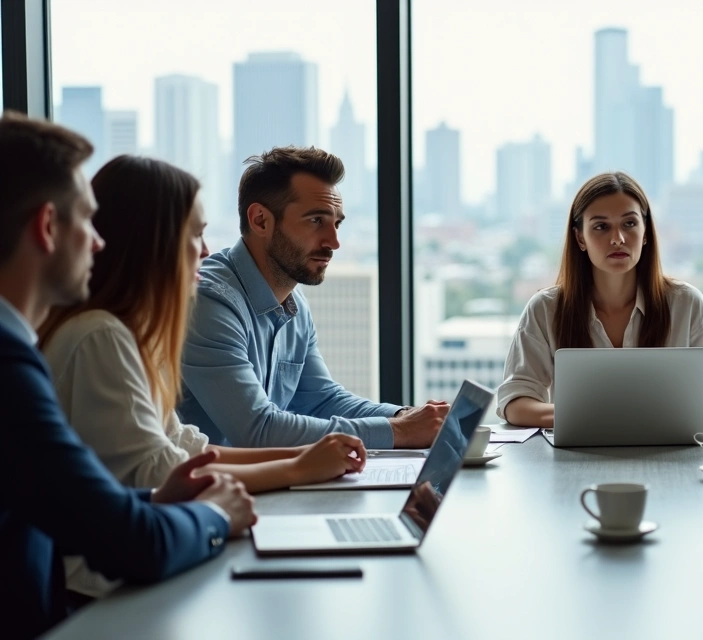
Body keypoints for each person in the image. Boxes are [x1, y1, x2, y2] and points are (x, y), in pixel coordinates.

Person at [38, 155, 367, 598]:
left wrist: (310, 461)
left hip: (136, 572)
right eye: (194, 234)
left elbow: (187, 447)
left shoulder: (135, 338)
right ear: (151, 243)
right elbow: (160, 471)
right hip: (100, 592)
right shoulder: (100, 336)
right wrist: (297, 466)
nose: (207, 250)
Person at [0, 111, 256, 640]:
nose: (99, 242)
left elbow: (67, 504)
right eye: (87, 222)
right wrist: (213, 516)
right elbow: (134, 544)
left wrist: (157, 503)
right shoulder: (9, 366)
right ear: (48, 228)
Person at [176, 146, 448, 448]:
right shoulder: (209, 301)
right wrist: (400, 431)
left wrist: (408, 416)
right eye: (316, 221)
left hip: (266, 485)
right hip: (205, 490)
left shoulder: (293, 300)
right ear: (261, 221)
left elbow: (322, 399)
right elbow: (257, 429)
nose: (334, 242)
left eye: (337, 223)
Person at [497, 171, 703, 428]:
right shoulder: (546, 309)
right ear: (580, 238)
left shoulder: (687, 304)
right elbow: (515, 402)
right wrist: (592, 417)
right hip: (577, 461)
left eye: (629, 224)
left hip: (670, 457)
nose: (617, 239)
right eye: (601, 227)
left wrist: (674, 417)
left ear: (646, 233)